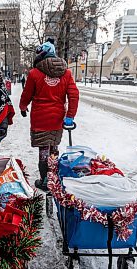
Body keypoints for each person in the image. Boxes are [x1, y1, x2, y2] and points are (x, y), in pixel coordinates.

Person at [19, 39, 79, 191]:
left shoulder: (34, 73)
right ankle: (53, 178)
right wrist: (70, 116)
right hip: (57, 119)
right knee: (54, 147)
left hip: (40, 119)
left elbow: (27, 94)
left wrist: (23, 106)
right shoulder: (66, 73)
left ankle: (45, 180)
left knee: (43, 150)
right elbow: (74, 95)